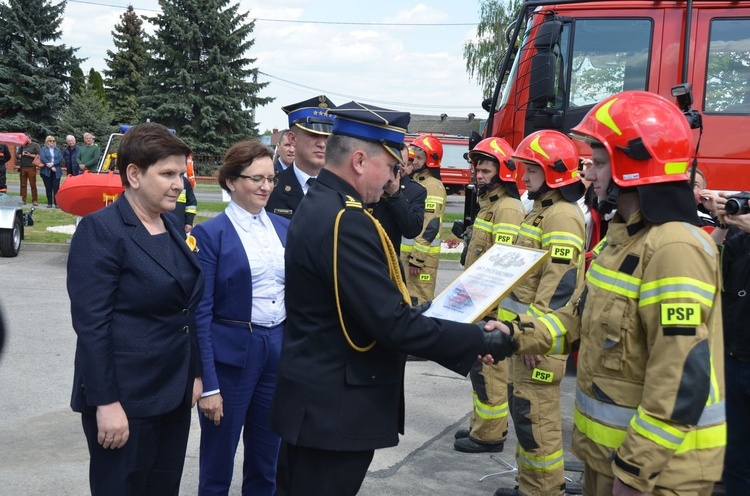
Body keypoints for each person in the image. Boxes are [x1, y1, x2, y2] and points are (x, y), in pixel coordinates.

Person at [269, 101, 516, 496]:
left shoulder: (324, 205)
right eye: (392, 168)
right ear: (361, 160)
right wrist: (478, 339)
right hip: (334, 408)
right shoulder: (344, 220)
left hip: (318, 403)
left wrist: (417, 311)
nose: (391, 181)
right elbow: (390, 324)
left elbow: (358, 305)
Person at [490, 91, 725, 495]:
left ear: (633, 168)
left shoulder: (674, 249)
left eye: (599, 163)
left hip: (657, 475)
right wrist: (511, 335)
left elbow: (680, 376)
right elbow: (577, 318)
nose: (590, 175)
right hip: (608, 459)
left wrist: (635, 471)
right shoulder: (624, 242)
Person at [67, 122, 204, 496]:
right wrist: (105, 403)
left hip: (173, 392)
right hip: (126, 398)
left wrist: (194, 373)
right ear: (134, 174)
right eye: (168, 174)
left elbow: (185, 311)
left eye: (181, 173)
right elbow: (92, 326)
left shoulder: (171, 224)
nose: (179, 183)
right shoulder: (102, 230)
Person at [192, 139, 289, 495]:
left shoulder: (282, 229)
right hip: (232, 357)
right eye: (256, 179)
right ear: (231, 181)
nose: (266, 186)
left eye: (271, 179)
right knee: (218, 462)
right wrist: (210, 385)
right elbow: (200, 313)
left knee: (266, 461)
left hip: (276, 350)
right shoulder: (210, 234)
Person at [493, 130, 586, 496]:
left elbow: (561, 283)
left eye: (530, 170)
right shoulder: (541, 212)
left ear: (552, 172)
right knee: (525, 412)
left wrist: (535, 333)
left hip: (538, 341)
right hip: (526, 337)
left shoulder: (562, 216)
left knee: (538, 418)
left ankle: (543, 491)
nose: (523, 177)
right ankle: (531, 484)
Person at [453, 137, 526, 455]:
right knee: (479, 371)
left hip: (491, 308)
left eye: (485, 170)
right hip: (479, 303)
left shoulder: (507, 209)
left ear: (504, 172)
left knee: (491, 372)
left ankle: (490, 434)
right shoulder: (490, 206)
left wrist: (488, 310)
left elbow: (503, 264)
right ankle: (480, 424)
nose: (479, 175)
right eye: (477, 170)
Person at [699, 191, 750, 495]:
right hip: (733, 360)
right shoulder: (739, 241)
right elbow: (703, 266)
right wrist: (722, 224)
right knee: (735, 460)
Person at [266, 96, 336, 219]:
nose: (322, 144)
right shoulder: (270, 190)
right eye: (313, 135)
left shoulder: (342, 191)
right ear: (292, 139)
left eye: (327, 137)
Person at [400, 134, 447, 304]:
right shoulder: (418, 182)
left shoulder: (432, 186)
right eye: (414, 157)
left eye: (420, 158)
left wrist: (417, 258)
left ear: (431, 160)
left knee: (419, 302)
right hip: (410, 258)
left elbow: (430, 224)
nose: (415, 161)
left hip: (421, 262)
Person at [369, 145, 426, 258]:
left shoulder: (415, 191)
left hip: (388, 258)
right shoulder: (370, 181)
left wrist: (396, 194)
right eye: (393, 163)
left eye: (402, 164)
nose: (398, 168)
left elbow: (412, 230)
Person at [39, 135, 63, 208]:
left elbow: (60, 158)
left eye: (53, 141)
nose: (52, 142)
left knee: (56, 187)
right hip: (46, 171)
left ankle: (56, 203)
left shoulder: (57, 150)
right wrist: (49, 165)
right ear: (47, 142)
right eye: (50, 141)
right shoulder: (43, 149)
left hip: (56, 171)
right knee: (48, 187)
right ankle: (49, 203)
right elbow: (42, 158)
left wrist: (53, 164)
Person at [19, 135, 40, 206]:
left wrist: (29, 155)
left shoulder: (35, 145)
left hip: (31, 167)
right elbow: (17, 156)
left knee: (33, 184)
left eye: (25, 139)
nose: (24, 140)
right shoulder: (22, 145)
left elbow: (38, 156)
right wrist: (21, 155)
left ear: (30, 138)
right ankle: (23, 200)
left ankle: (34, 200)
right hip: (22, 167)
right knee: (23, 185)